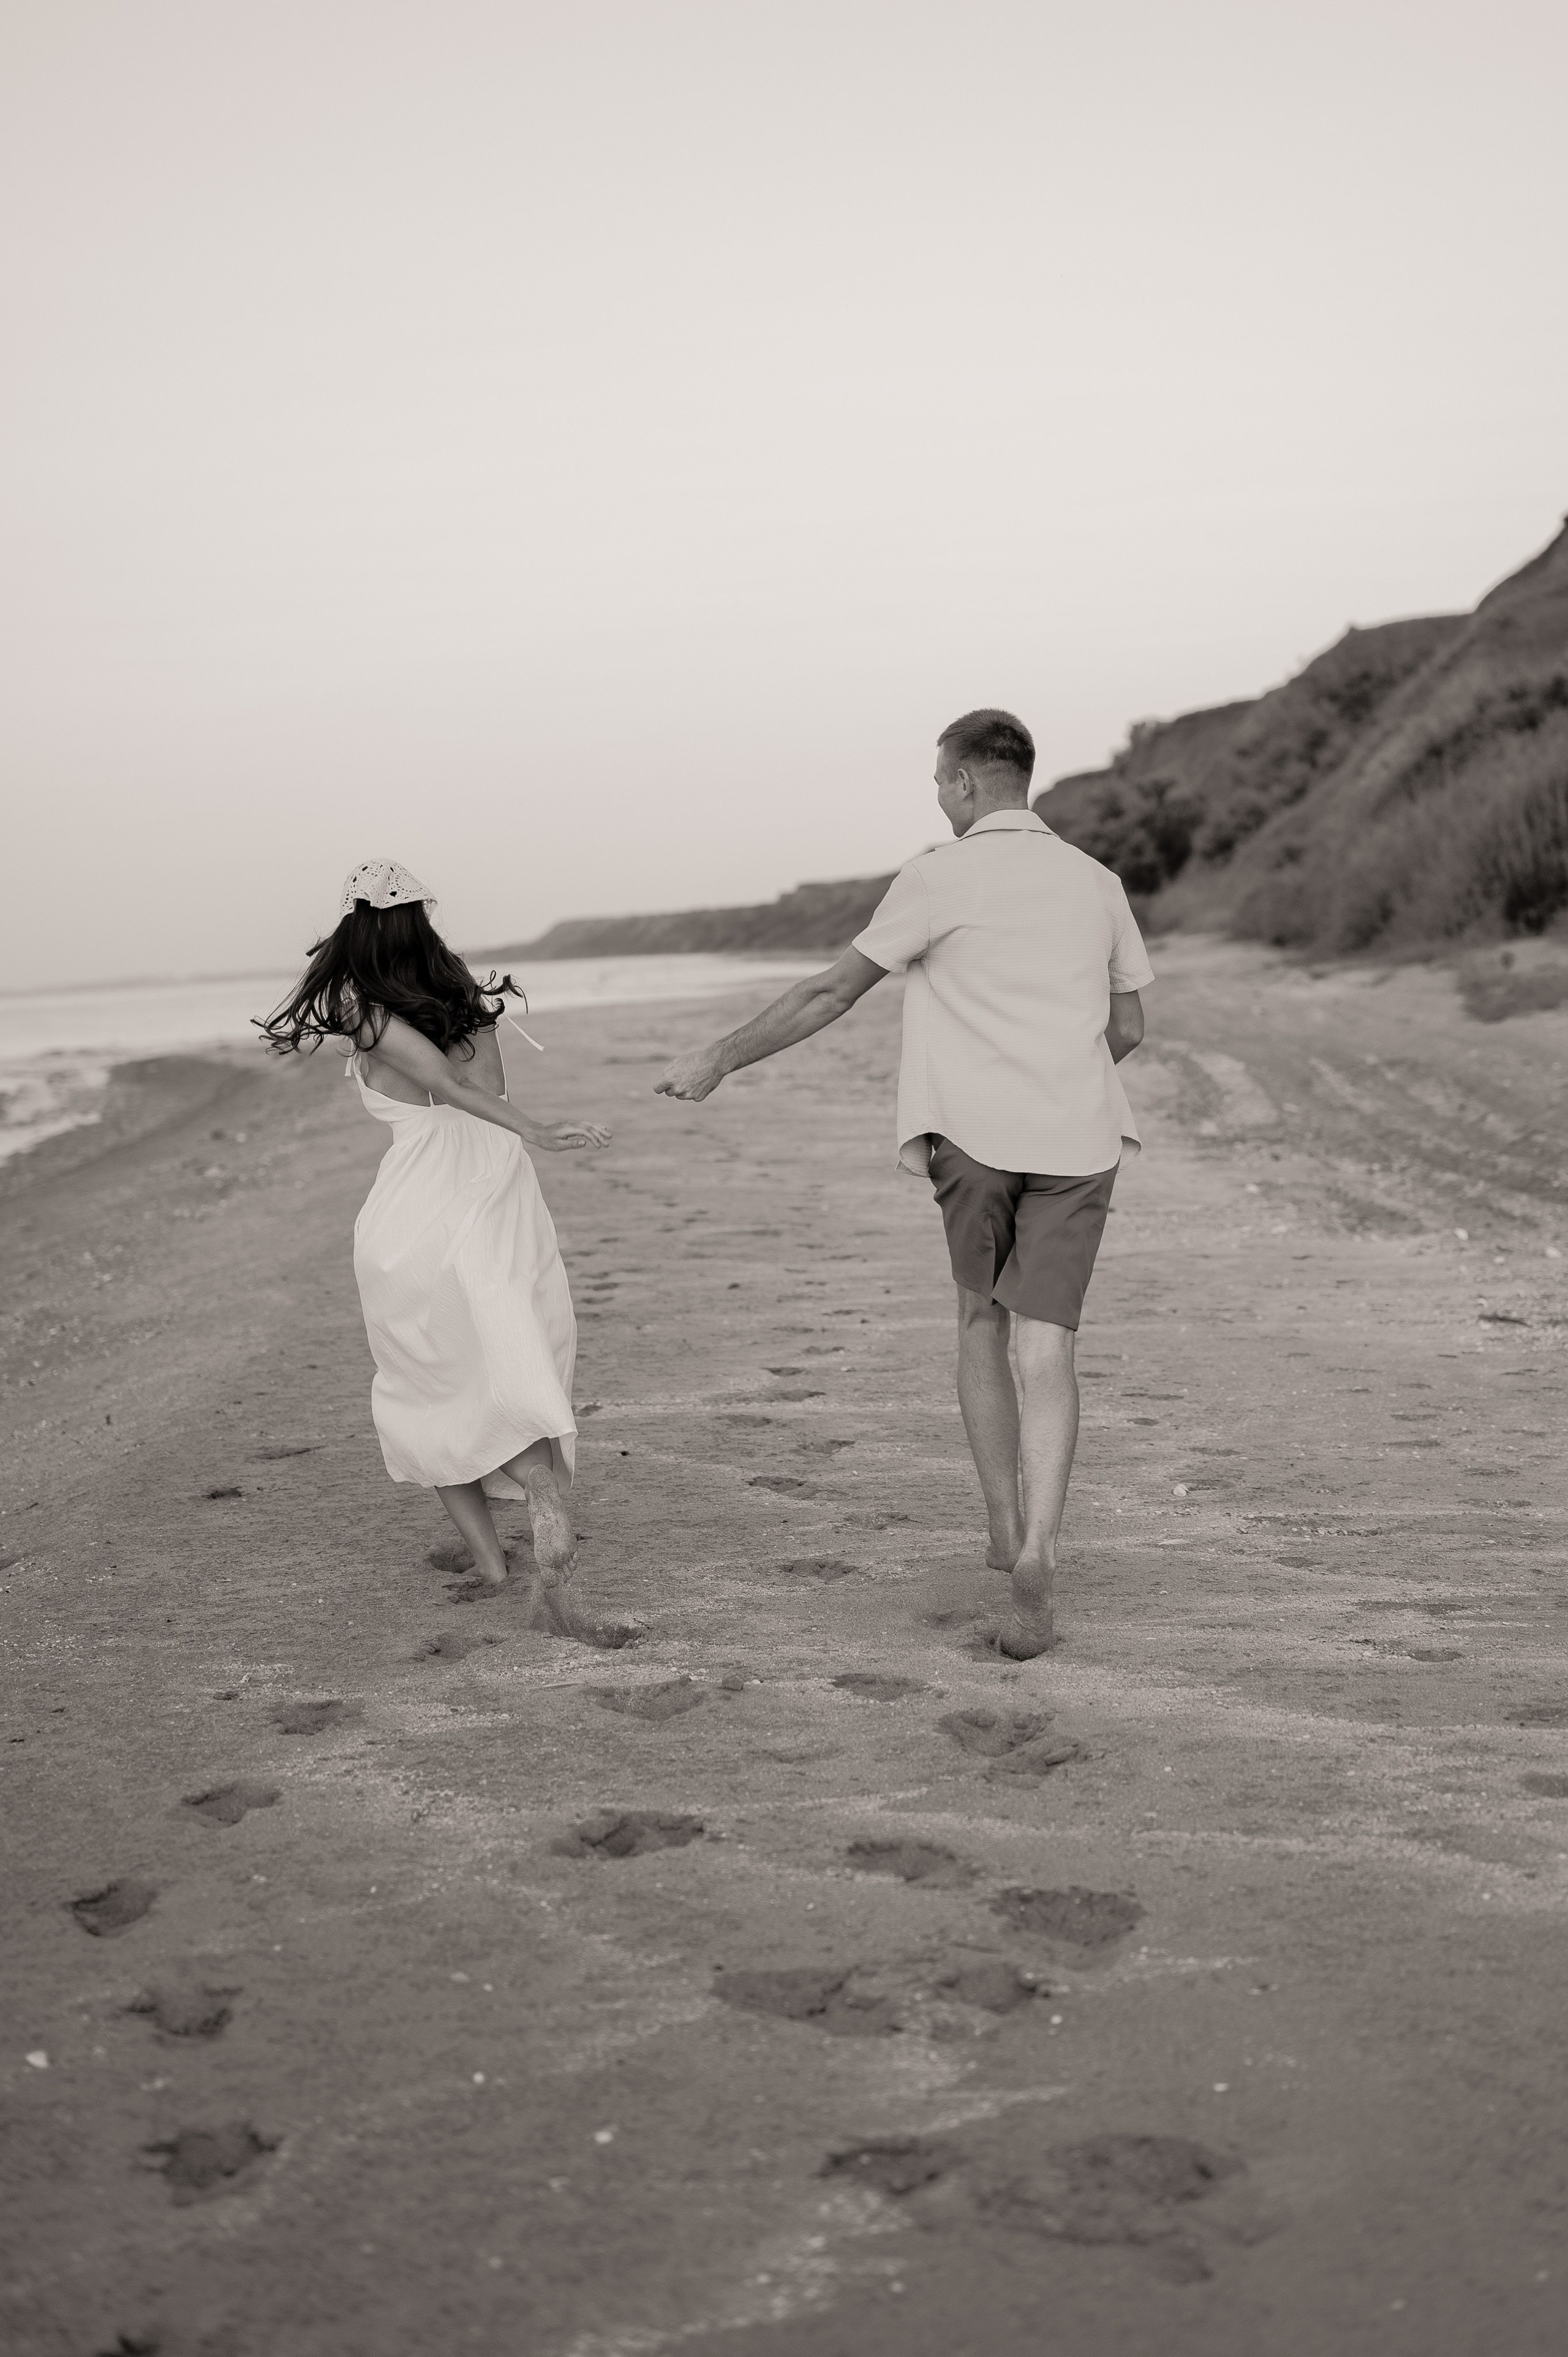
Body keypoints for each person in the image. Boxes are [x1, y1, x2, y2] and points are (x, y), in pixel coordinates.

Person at [655, 712, 1152, 1657]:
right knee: (1050, 1350)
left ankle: (1005, 1529)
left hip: (974, 1139)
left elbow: (832, 992)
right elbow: (1127, 1025)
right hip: (1077, 1139)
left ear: (966, 782)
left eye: (938, 780)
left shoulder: (937, 874)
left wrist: (722, 1055)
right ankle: (1045, 1542)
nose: (937, 795)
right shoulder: (1098, 883)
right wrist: (1065, 1072)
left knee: (980, 1321)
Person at [258, 859, 619, 1641]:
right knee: (507, 1341)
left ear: (358, 923)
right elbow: (480, 1088)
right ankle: (535, 1486)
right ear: (422, 918)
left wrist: (542, 1131)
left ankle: (501, 1544)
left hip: (420, 1207)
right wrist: (533, 1130)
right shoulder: (464, 997)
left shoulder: (363, 1007)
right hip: (496, 1190)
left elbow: (444, 1092)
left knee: (426, 1379)